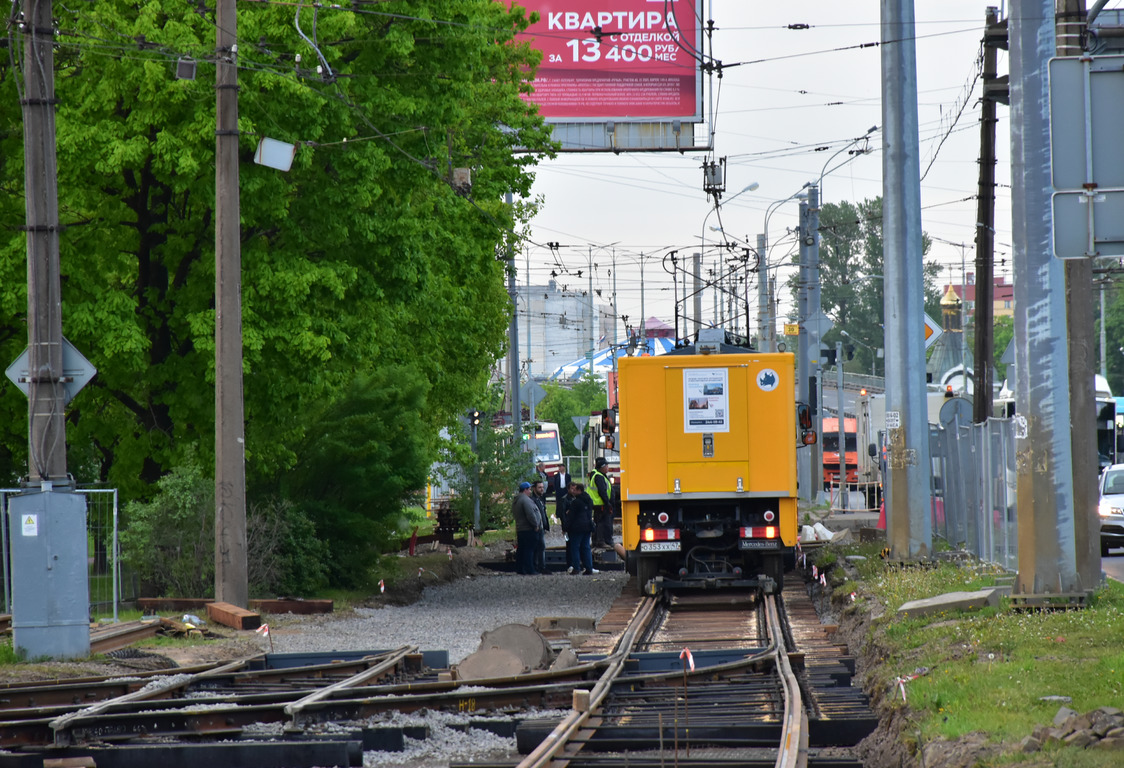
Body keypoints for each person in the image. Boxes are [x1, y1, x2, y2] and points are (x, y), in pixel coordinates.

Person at [564, 481, 596, 575]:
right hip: (588, 526)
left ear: (579, 490)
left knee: (575, 547)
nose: (573, 491)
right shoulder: (589, 500)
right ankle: (589, 568)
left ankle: (576, 568)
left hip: (577, 528)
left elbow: (571, 517)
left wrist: (565, 527)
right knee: (586, 547)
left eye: (575, 489)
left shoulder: (576, 502)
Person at [511, 481, 540, 575]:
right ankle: (530, 569)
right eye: (529, 489)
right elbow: (530, 514)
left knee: (521, 549)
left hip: (520, 528)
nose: (530, 491)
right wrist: (535, 525)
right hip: (528, 529)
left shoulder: (516, 500)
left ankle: (520, 569)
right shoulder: (525, 500)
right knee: (529, 550)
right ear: (525, 490)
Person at [588, 457, 613, 549]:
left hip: (599, 503)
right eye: (606, 466)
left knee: (599, 522)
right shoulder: (599, 476)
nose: (608, 468)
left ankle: (597, 541)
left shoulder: (600, 475)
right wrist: (607, 503)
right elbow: (602, 491)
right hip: (600, 504)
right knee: (601, 523)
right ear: (602, 467)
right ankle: (600, 542)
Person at [532, 479, 550, 574]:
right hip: (537, 527)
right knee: (539, 547)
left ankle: (540, 566)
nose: (542, 489)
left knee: (541, 547)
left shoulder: (541, 498)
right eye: (539, 487)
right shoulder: (533, 500)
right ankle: (539, 566)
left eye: (543, 487)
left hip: (541, 527)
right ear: (534, 488)